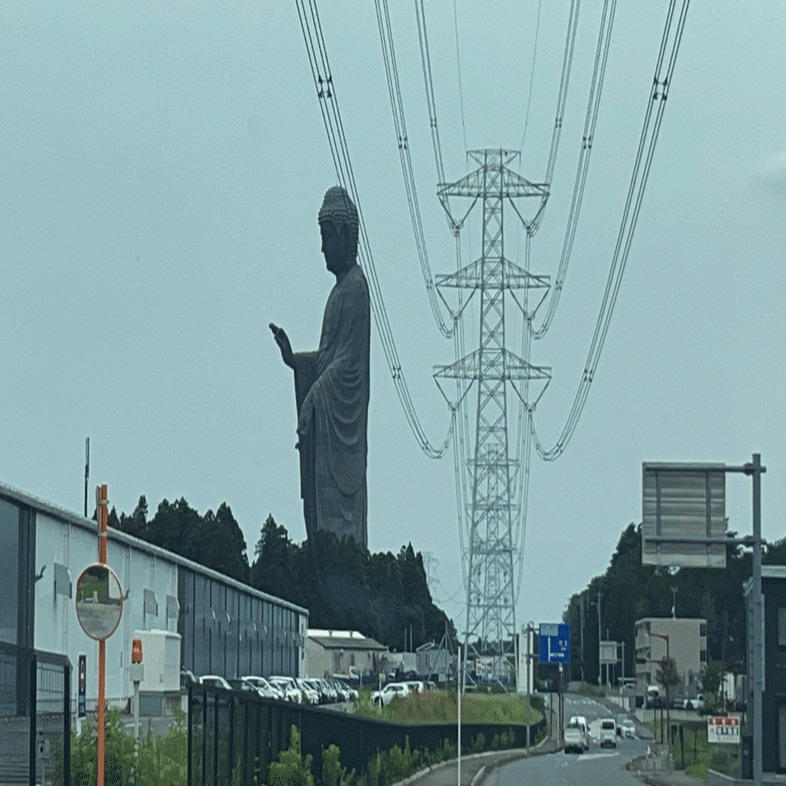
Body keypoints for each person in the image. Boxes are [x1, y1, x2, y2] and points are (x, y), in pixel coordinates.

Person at [269, 186, 370, 548]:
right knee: (320, 519)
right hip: (326, 421)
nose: (324, 248)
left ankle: (341, 564)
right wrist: (296, 361)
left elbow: (349, 367)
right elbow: (330, 358)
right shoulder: (338, 292)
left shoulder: (356, 289)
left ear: (344, 236)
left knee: (341, 524)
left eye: (327, 238)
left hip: (341, 431)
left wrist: (316, 394)